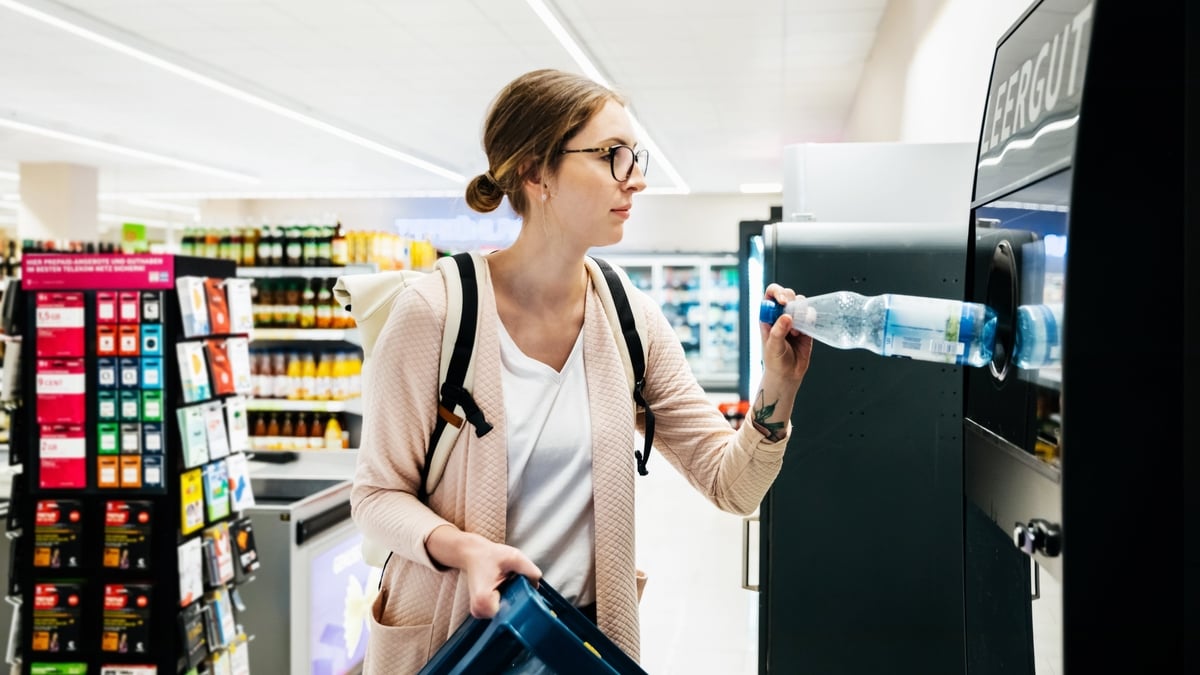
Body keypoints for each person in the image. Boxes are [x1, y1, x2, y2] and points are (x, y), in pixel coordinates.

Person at [350, 68, 813, 673]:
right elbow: (376, 495)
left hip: (577, 644)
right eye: (612, 156)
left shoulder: (630, 319)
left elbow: (733, 486)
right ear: (535, 172)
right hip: (457, 642)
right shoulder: (436, 312)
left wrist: (778, 385)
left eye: (635, 156)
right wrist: (466, 551)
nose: (638, 179)